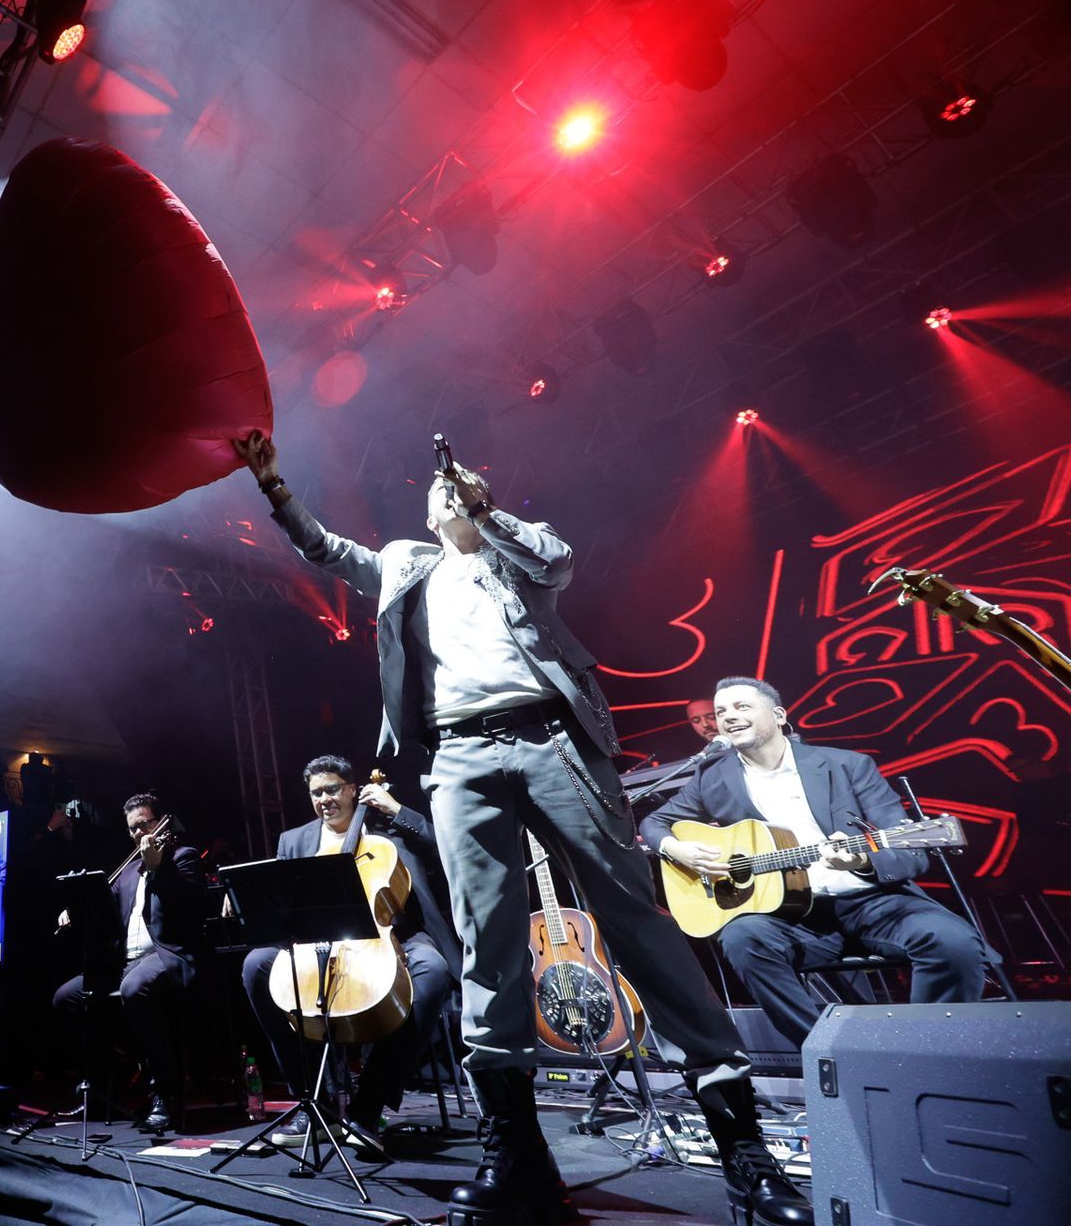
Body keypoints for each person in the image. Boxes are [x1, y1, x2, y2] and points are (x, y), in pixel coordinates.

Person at [236, 431, 811, 1226]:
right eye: (439, 492)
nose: (446, 493)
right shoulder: (405, 563)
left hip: (553, 740)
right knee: (487, 938)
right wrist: (275, 488)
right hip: (458, 755)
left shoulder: (516, 548)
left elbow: (556, 562)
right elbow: (327, 550)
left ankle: (742, 1147)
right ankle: (517, 1153)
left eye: (462, 487)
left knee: (633, 916)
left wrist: (486, 511)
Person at [643, 677, 988, 1048]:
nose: (728, 717)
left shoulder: (847, 765)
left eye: (741, 706)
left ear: (779, 715)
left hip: (873, 902)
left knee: (954, 943)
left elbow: (909, 852)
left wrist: (861, 861)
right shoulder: (712, 778)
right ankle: (829, 1052)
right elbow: (653, 823)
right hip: (790, 916)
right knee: (742, 938)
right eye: (721, 710)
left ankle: (931, 1051)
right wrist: (675, 848)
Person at [239, 755, 460, 1155]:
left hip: (394, 932)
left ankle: (367, 1107)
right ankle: (314, 1102)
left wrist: (397, 809)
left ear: (353, 789)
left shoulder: (389, 828)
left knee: (432, 970)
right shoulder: (294, 840)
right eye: (316, 793)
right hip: (317, 940)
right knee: (256, 966)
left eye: (332, 789)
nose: (324, 799)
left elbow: (444, 848)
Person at [50, 795, 204, 1132]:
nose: (139, 832)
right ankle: (103, 1088)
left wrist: (159, 867)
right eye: (133, 828)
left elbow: (189, 907)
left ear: (160, 822)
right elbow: (105, 915)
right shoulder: (127, 872)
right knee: (67, 997)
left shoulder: (183, 857)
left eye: (145, 824)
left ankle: (165, 1092)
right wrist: (75, 912)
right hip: (125, 962)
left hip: (165, 957)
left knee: (135, 988)